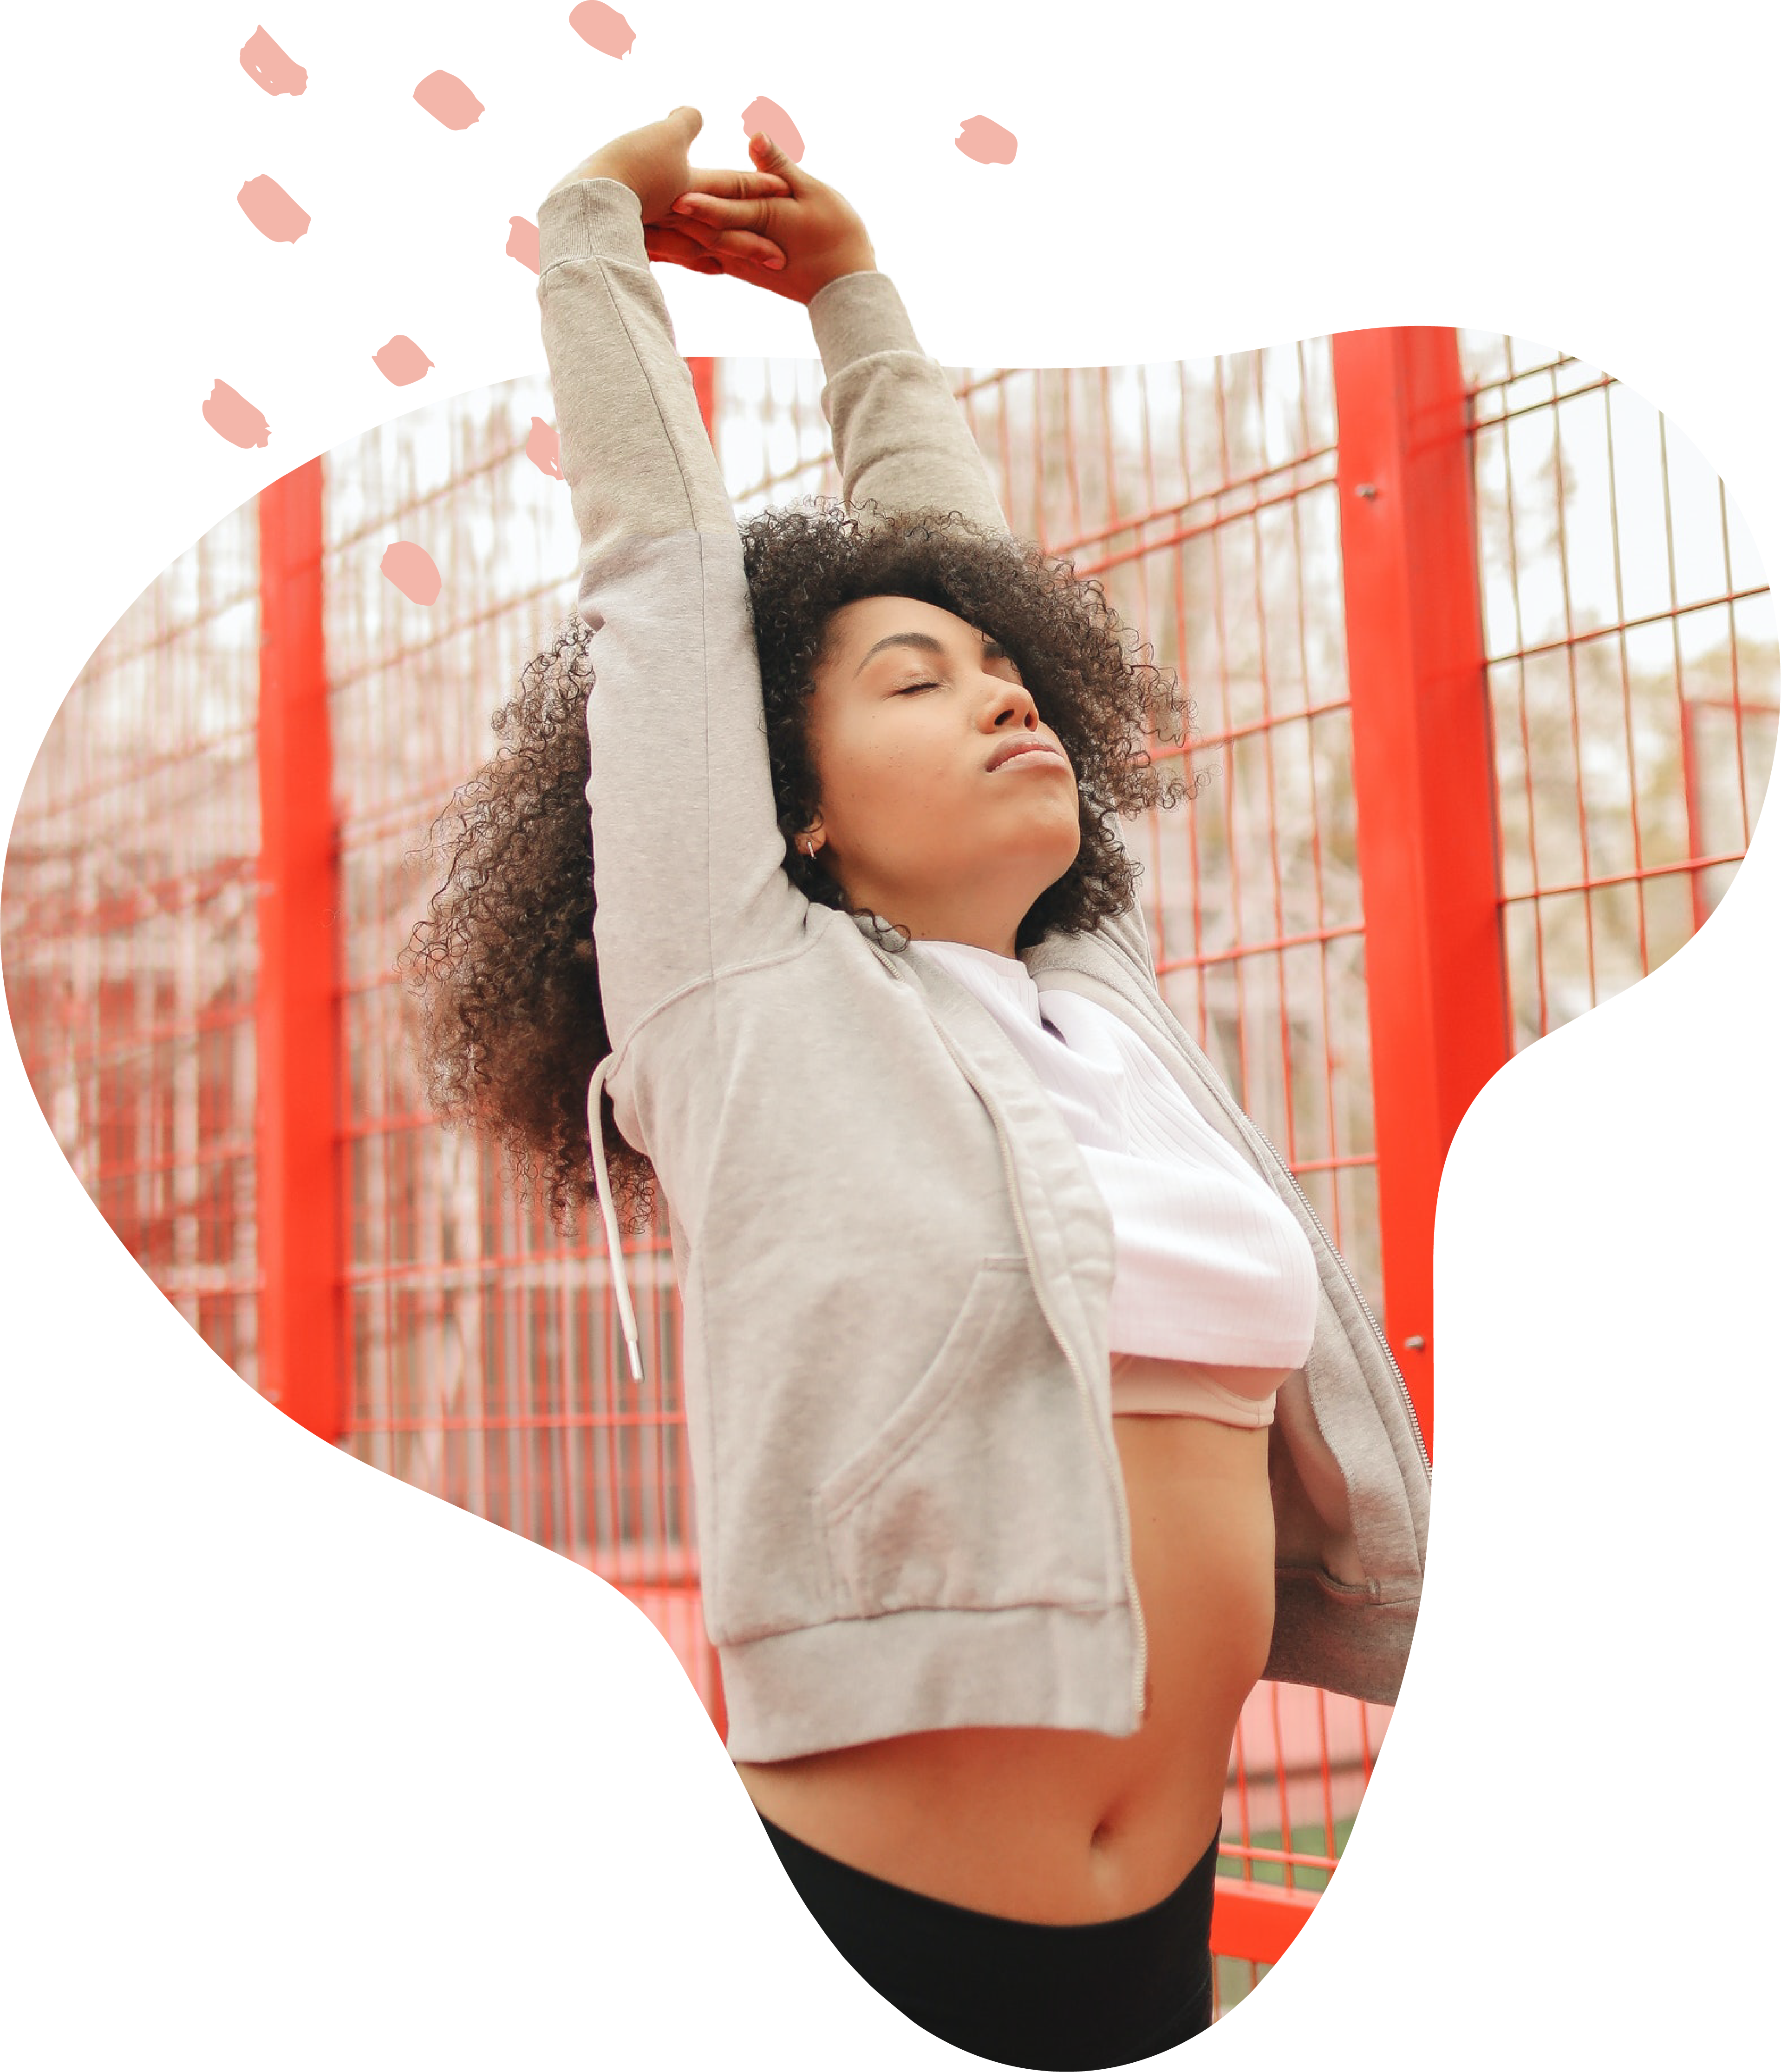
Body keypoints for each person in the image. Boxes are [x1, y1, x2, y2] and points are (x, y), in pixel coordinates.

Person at [405, 106, 1430, 2071]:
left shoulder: (1102, 1005)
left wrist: (855, 297)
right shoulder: (743, 991)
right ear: (787, 804)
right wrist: (588, 245)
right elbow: (658, 581)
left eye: (1004, 670)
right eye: (910, 681)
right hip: (862, 1935)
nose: (999, 690)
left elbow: (961, 556)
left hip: (1170, 1933)